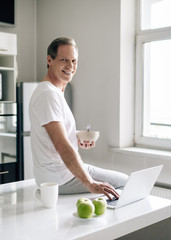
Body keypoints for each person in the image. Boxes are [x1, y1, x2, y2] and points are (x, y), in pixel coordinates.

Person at [29, 37, 128, 200]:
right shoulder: (48, 94)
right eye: (64, 60)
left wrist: (75, 139)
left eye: (74, 61)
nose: (70, 66)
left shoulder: (54, 92)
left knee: (121, 182)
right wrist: (90, 183)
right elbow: (61, 145)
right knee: (125, 183)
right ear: (49, 60)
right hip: (60, 178)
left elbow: (54, 136)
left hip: (60, 173)